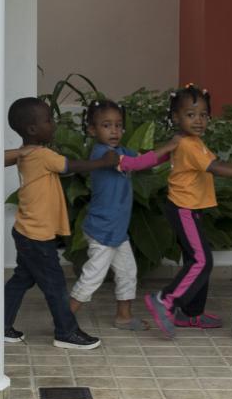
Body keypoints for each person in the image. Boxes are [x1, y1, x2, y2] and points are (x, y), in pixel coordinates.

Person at [142, 84, 232, 339]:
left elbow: (216, 163)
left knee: (197, 261)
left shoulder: (194, 142)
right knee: (202, 261)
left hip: (191, 208)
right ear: (176, 118)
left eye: (204, 115)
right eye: (190, 115)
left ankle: (191, 313)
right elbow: (216, 169)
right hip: (183, 208)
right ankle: (165, 299)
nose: (199, 120)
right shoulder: (188, 145)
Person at [2, 96, 120, 351]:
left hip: (27, 231)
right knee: (55, 286)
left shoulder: (26, 153)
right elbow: (71, 166)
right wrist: (104, 162)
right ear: (33, 129)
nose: (53, 124)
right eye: (48, 120)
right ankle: (66, 332)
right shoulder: (42, 154)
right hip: (37, 236)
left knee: (21, 279)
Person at [68, 97, 176, 333]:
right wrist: (168, 146)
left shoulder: (121, 151)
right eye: (106, 125)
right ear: (92, 130)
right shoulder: (104, 155)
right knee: (92, 277)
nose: (114, 130)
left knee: (128, 272)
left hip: (117, 231)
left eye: (118, 125)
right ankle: (64, 318)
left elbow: (145, 161)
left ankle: (124, 317)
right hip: (102, 231)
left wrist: (174, 150)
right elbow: (135, 165)